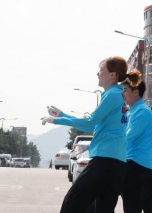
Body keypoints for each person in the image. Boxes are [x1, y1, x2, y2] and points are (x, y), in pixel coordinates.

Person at [41, 56, 132, 213]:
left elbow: (89, 123)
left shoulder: (112, 95)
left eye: (101, 69)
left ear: (113, 75)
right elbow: (93, 121)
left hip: (105, 160)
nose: (98, 73)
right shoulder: (118, 95)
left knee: (72, 203)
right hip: (117, 162)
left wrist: (56, 120)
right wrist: (61, 114)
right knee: (103, 208)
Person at [121, 77, 152, 213]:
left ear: (136, 92)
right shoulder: (132, 111)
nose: (123, 94)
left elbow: (128, 136)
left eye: (125, 90)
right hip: (131, 162)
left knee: (132, 206)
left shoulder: (142, 111)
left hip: (137, 164)